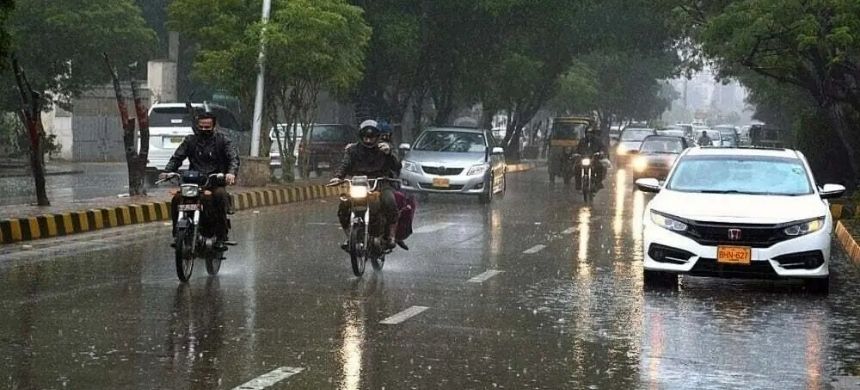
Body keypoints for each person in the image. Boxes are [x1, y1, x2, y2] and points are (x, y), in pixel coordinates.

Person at [161, 111, 238, 250]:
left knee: (220, 197)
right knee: (177, 199)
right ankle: (177, 234)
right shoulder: (190, 140)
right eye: (201, 126)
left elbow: (233, 158)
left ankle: (221, 236)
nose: (203, 129)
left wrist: (230, 173)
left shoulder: (223, 140)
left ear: (214, 126)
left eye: (207, 127)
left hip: (215, 183)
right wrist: (168, 171)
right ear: (197, 126)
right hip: (193, 183)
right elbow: (177, 157)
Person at [331, 120, 402, 250]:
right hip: (357, 185)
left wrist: (390, 153)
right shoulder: (352, 150)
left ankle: (391, 236)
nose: (368, 140)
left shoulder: (384, 149)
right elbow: (344, 165)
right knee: (344, 206)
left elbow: (397, 167)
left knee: (390, 201)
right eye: (366, 137)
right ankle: (349, 237)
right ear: (361, 136)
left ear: (377, 137)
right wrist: (337, 177)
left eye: (372, 137)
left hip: (380, 184)